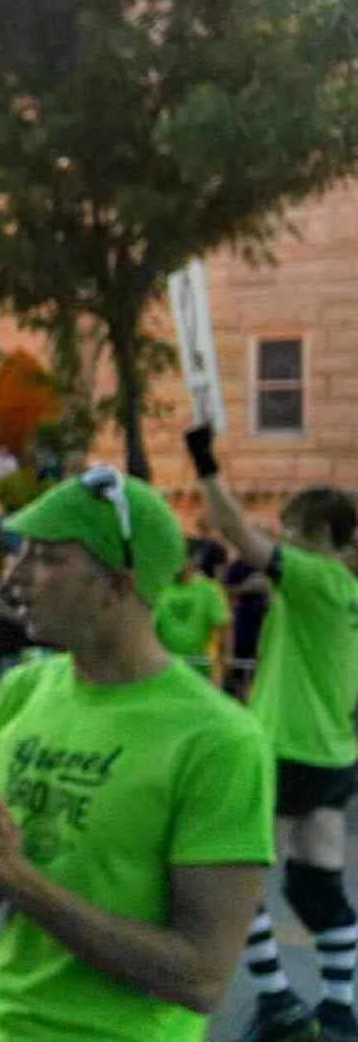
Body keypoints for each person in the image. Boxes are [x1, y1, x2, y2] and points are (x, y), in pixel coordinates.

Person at [0, 466, 273, 1041]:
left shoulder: (219, 740)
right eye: (21, 553)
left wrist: (23, 882)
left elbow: (200, 977)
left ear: (119, 587)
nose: (16, 578)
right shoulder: (22, 690)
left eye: (49, 559)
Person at [189, 426, 358, 1042]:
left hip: (286, 750)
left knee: (234, 882)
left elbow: (237, 534)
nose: (279, 536)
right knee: (316, 888)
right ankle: (340, 1011)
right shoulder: (342, 592)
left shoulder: (314, 577)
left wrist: (205, 466)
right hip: (335, 756)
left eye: (290, 530)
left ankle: (279, 1000)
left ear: (320, 541)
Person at [153, 551, 231, 686]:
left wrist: (221, 668)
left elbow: (223, 627)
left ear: (191, 562)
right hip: (166, 669)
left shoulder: (209, 590)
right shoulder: (159, 589)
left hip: (202, 670)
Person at [225, 549, 273, 703]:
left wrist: (267, 590)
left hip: (268, 625)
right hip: (244, 623)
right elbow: (224, 590)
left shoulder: (275, 567)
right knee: (239, 668)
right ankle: (240, 703)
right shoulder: (238, 565)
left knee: (262, 669)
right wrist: (247, 587)